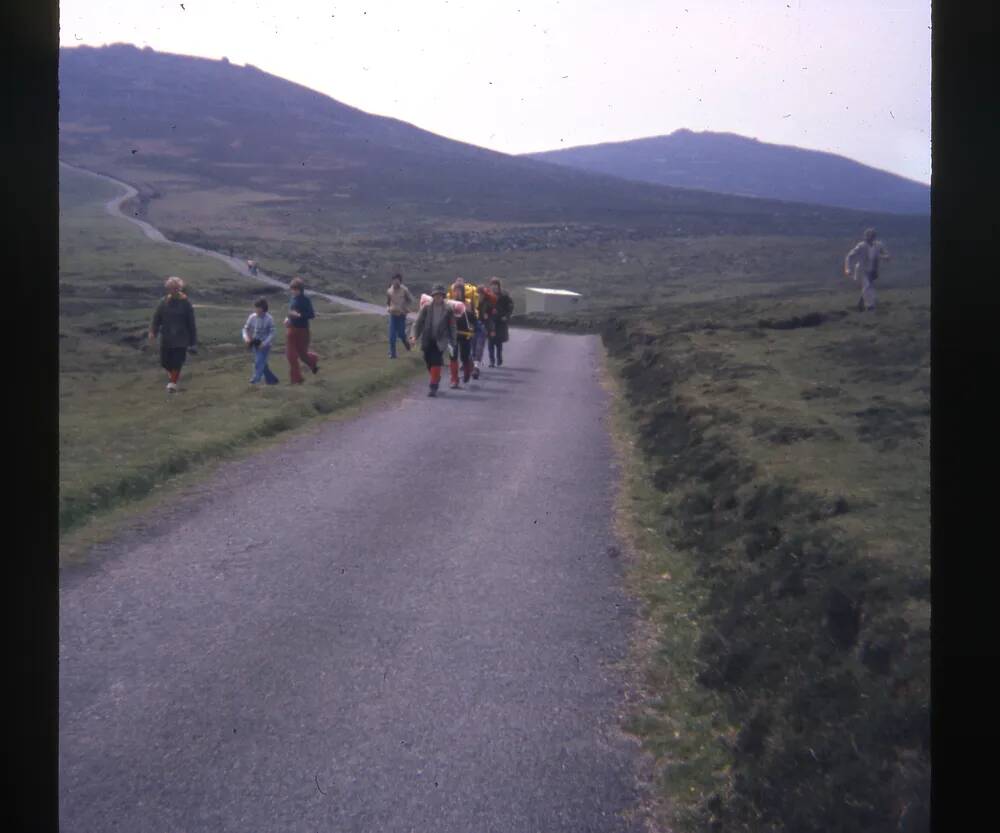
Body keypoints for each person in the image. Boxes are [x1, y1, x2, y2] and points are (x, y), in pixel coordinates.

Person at [148, 275, 197, 393]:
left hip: (181, 338)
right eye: (171, 288)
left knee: (177, 361)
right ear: (168, 289)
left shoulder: (186, 303)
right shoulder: (163, 302)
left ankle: (172, 383)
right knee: (165, 362)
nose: (174, 290)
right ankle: (173, 377)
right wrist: (152, 332)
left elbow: (191, 323)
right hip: (167, 338)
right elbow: (157, 318)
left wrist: (193, 342)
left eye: (176, 288)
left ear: (180, 288)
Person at [411, 284, 457, 397]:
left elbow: (452, 327)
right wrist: (414, 336)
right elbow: (418, 323)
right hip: (428, 338)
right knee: (428, 360)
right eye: (436, 295)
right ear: (433, 296)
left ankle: (433, 386)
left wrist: (453, 341)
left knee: (436, 361)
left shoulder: (448, 310)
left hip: (441, 340)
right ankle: (435, 376)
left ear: (443, 296)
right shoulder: (426, 308)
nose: (438, 297)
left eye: (440, 295)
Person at [845, 228, 890, 312]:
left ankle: (860, 305)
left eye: (872, 236)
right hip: (862, 270)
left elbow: (885, 254)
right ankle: (870, 306)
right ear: (865, 237)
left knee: (868, 287)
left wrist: (885, 257)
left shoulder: (878, 245)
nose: (870, 238)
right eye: (868, 236)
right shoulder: (861, 246)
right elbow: (849, 256)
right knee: (867, 286)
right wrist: (847, 268)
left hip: (872, 270)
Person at [284, 277, 319, 383]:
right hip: (291, 330)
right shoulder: (292, 299)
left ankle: (313, 361)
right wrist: (287, 319)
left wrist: (299, 315)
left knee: (303, 356)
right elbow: (291, 312)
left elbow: (311, 315)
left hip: (303, 331)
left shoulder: (306, 300)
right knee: (291, 356)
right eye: (292, 289)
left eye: (295, 289)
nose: (293, 291)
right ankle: (297, 379)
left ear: (300, 289)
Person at [447, 276, 479, 386]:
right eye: (455, 291)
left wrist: (476, 328)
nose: (457, 293)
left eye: (459, 291)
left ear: (463, 292)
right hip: (452, 335)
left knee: (465, 356)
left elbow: (473, 319)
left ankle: (467, 371)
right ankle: (454, 380)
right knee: (453, 356)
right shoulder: (449, 304)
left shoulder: (467, 304)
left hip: (465, 334)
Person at [242, 297, 279, 385]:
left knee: (258, 362)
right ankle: (272, 380)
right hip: (255, 343)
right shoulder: (252, 317)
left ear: (264, 308)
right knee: (262, 363)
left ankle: (255, 381)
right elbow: (245, 329)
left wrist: (265, 343)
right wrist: (246, 338)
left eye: (259, 308)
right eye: (256, 307)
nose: (257, 310)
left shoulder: (269, 318)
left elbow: (272, 333)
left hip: (265, 345)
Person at [486, 277, 514, 367]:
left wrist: (506, 316)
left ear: (499, 286)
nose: (494, 287)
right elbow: (482, 307)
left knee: (498, 342)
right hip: (490, 322)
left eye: (496, 285)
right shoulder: (487, 296)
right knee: (490, 342)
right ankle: (491, 361)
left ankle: (499, 358)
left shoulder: (504, 296)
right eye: (492, 285)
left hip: (500, 322)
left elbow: (510, 307)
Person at [386, 273, 414, 358]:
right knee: (392, 336)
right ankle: (393, 354)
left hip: (401, 315)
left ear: (400, 281)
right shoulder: (389, 291)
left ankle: (407, 345)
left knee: (401, 334)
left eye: (397, 280)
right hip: (393, 315)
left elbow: (410, 300)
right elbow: (388, 302)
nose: (395, 282)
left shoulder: (404, 290)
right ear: (392, 281)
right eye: (394, 280)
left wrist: (405, 308)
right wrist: (388, 308)